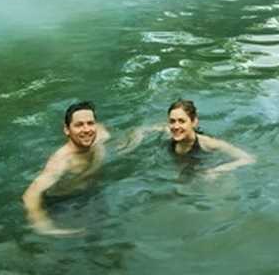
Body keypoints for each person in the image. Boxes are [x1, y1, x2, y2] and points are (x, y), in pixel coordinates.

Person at [22, 101, 110, 236]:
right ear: (67, 130)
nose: (87, 129)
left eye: (90, 123)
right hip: (64, 203)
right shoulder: (62, 161)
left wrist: (148, 130)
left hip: (92, 192)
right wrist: (44, 227)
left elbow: (126, 139)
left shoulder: (100, 137)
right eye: (79, 125)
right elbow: (30, 195)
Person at [123, 99, 255, 176]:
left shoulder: (209, 143)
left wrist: (217, 170)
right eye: (172, 121)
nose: (175, 126)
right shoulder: (169, 132)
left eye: (181, 121)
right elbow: (142, 129)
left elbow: (248, 159)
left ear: (194, 122)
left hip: (199, 167)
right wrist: (136, 138)